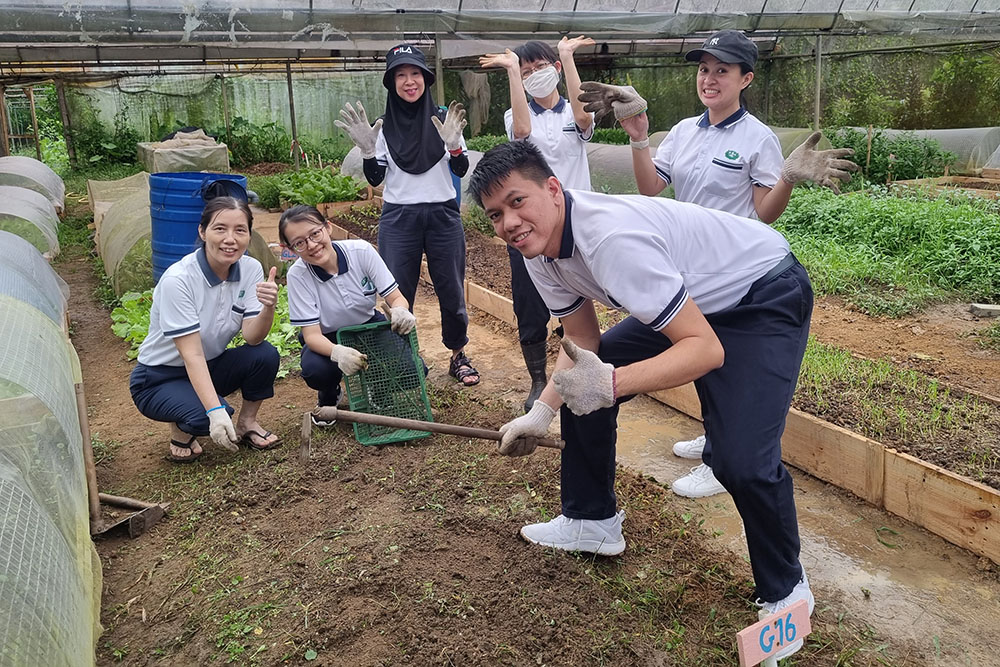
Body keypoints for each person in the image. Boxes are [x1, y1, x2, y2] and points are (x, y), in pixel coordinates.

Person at [468, 141, 816, 660]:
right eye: (496, 214)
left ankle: (788, 593)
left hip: (758, 293)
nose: (509, 222)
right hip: (696, 295)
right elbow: (582, 342)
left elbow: (705, 350)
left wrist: (610, 384)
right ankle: (591, 520)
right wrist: (542, 412)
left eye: (518, 202)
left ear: (554, 189)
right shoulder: (538, 250)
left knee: (742, 460)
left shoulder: (611, 239)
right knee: (582, 380)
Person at [579, 29, 857, 499]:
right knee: (701, 355)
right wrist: (640, 138)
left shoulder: (757, 138)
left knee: (723, 361)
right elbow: (652, 188)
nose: (709, 79)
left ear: (745, 79)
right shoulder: (684, 132)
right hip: (688, 266)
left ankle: (719, 458)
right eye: (704, 69)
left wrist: (787, 177)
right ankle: (714, 438)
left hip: (736, 269)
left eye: (722, 71)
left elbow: (764, 213)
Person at [334, 44, 481, 387]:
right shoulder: (383, 128)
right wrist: (368, 150)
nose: (409, 81)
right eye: (400, 75)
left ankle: (458, 354)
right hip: (399, 217)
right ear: (391, 83)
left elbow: (460, 169)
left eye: (415, 74)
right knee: (397, 290)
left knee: (452, 290)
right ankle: (407, 356)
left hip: (443, 215)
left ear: (425, 80)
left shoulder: (444, 119)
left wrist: (455, 145)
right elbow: (375, 178)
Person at [479, 36, 595, 412]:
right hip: (529, 224)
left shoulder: (572, 113)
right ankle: (538, 380)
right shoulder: (518, 113)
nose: (534, 76)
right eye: (527, 71)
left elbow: (583, 117)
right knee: (529, 304)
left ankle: (578, 371)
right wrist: (513, 72)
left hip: (574, 224)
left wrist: (566, 56)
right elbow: (523, 133)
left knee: (577, 299)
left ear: (556, 70)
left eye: (540, 67)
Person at [130, 196, 281, 463]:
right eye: (220, 228)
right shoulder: (179, 280)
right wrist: (215, 410)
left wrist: (268, 307)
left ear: (249, 235)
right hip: (159, 378)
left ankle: (246, 423)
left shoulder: (250, 269)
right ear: (202, 231)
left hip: (210, 366)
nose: (230, 239)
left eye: (240, 230)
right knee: (207, 416)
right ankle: (181, 425)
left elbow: (252, 336)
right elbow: (192, 355)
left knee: (264, 354)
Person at [279, 204, 418, 423]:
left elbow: (396, 297)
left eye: (315, 233)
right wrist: (338, 353)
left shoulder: (361, 252)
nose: (312, 245)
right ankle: (329, 393)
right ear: (289, 248)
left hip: (367, 325)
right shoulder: (298, 275)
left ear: (328, 227)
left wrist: (400, 310)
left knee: (411, 371)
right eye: (299, 243)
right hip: (327, 337)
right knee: (316, 370)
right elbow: (312, 336)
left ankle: (378, 390)